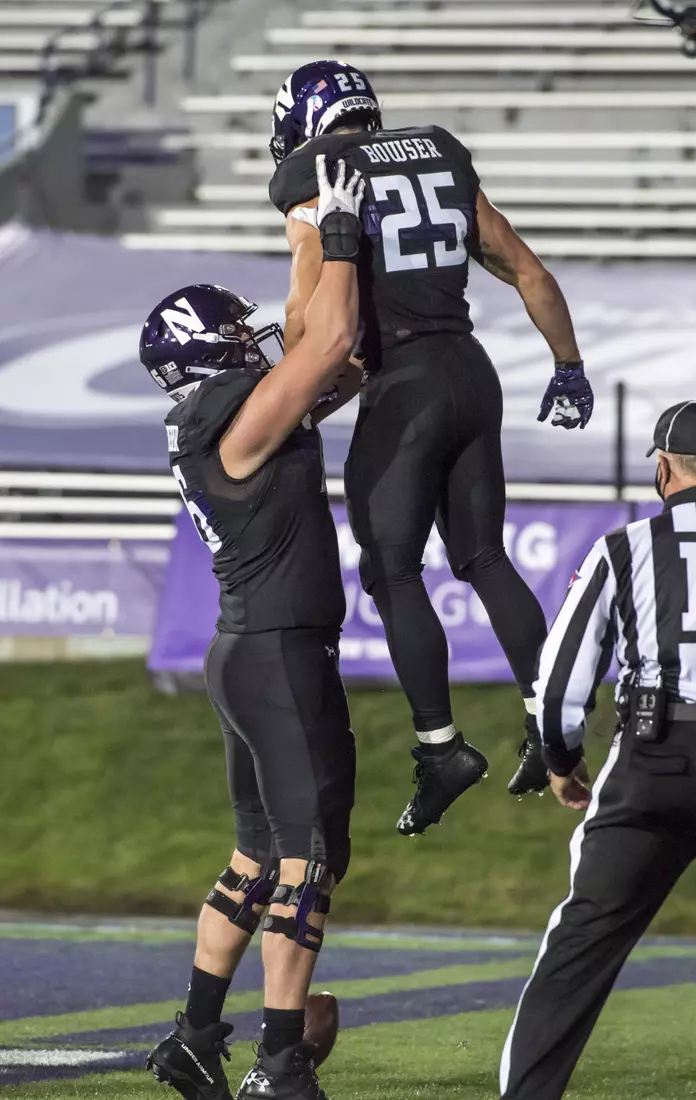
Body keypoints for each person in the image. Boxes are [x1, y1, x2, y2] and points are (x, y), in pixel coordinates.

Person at [268, 59, 593, 836]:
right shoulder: (437, 151)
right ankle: (549, 724)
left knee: (391, 569)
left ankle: (440, 749)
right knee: (483, 558)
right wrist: (569, 366)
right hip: (471, 373)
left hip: (405, 385)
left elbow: (312, 310)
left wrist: (291, 393)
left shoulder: (315, 173)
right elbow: (527, 268)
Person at [500, 399, 696, 1100]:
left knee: (575, 952)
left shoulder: (624, 547)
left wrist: (559, 758)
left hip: (653, 763)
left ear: (663, 469)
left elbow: (559, 682)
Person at [139, 158, 365, 1100]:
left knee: (259, 855)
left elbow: (334, 359)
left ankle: (194, 1036)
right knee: (308, 857)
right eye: (233, 335)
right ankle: (277, 1061)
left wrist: (305, 241)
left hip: (250, 648)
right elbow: (330, 344)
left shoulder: (215, 415)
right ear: (204, 356)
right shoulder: (225, 415)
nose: (251, 341)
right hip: (276, 650)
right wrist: (332, 235)